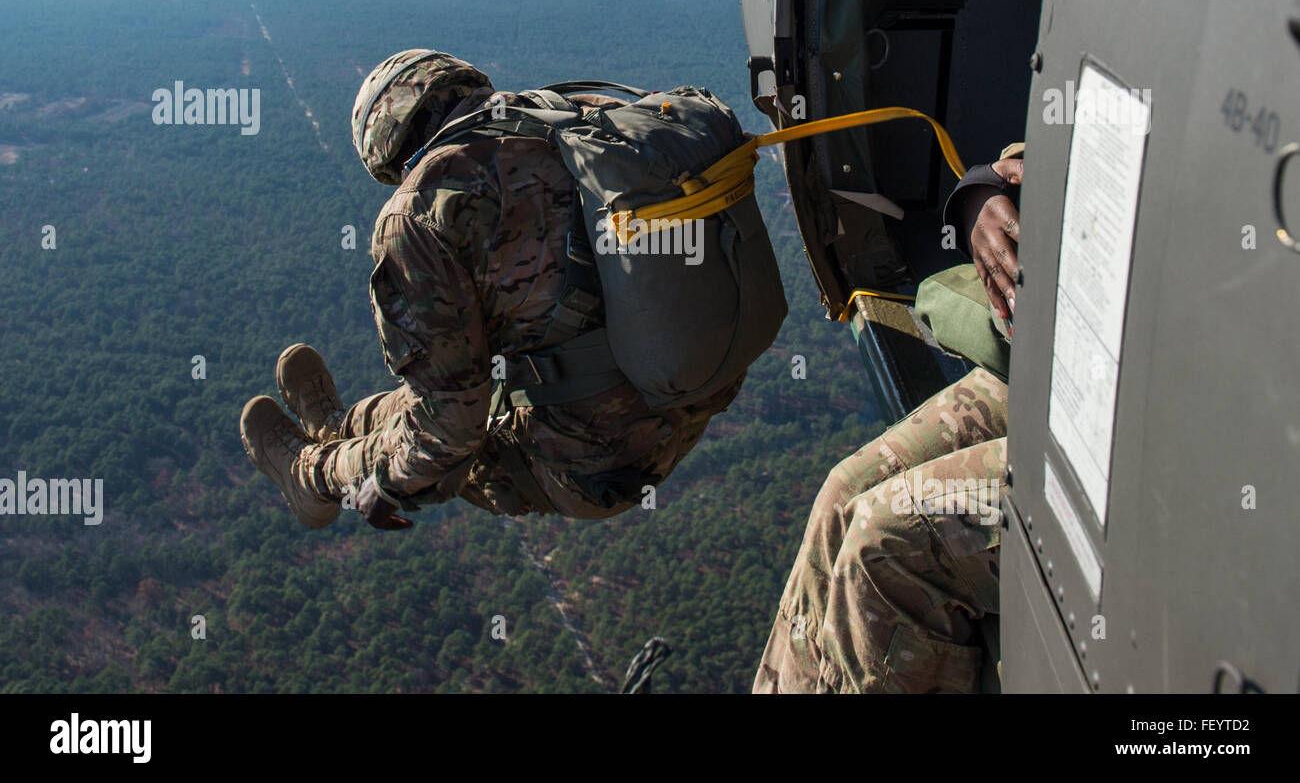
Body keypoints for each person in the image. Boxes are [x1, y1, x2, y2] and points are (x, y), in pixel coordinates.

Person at [240, 49, 742, 530]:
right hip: (687, 398)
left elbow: (451, 427)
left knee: (433, 419)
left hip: (587, 466)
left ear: (392, 153)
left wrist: (388, 486)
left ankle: (312, 476)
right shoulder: (586, 118)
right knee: (445, 396)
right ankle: (338, 425)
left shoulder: (418, 212)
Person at [753, 143, 1024, 693]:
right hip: (1044, 370)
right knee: (842, 495)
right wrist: (982, 195)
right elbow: (1028, 161)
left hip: (1141, 435)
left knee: (885, 546)